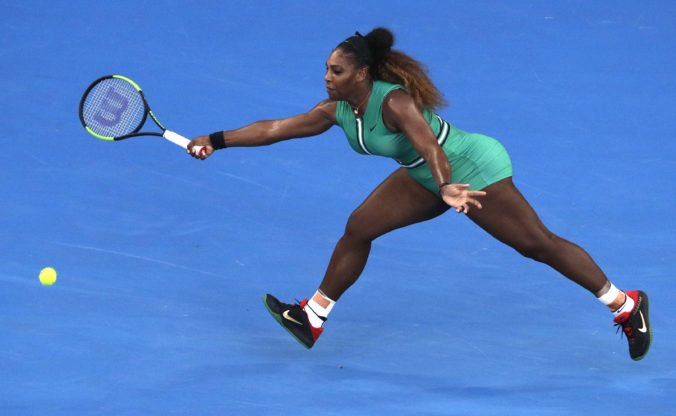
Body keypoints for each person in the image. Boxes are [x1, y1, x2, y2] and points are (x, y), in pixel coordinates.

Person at [187, 28, 651, 360]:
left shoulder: (395, 101)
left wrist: (447, 184)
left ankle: (625, 304)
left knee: (536, 245)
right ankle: (313, 316)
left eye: (337, 70)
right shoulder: (336, 111)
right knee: (358, 228)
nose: (327, 77)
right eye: (326, 69)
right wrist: (216, 139)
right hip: (424, 176)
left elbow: (430, 146)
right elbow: (274, 130)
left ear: (362, 74)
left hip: (469, 168)